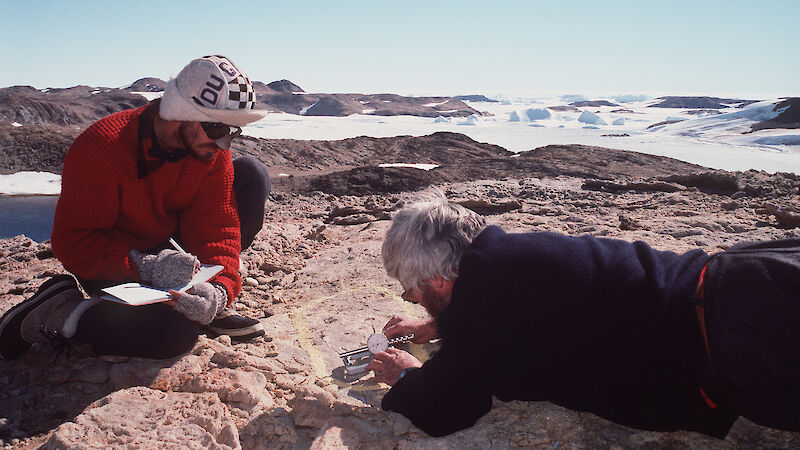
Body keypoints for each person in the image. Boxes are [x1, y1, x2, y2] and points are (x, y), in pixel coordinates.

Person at [366, 197, 800, 438]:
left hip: (745, 338)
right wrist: (439, 326)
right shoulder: (507, 259)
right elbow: (514, 314)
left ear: (438, 279)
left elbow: (449, 408)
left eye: (412, 292)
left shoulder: (482, 308)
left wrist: (407, 376)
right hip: (745, 272)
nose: (415, 301)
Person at [0, 55, 271, 361]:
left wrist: (219, 291)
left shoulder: (209, 155)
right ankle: (58, 310)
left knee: (251, 175)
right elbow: (75, 244)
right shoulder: (101, 147)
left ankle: (201, 307)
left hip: (168, 251)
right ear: (181, 111)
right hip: (111, 258)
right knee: (173, 335)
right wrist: (148, 266)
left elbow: (218, 228)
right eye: (218, 130)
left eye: (232, 132)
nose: (224, 145)